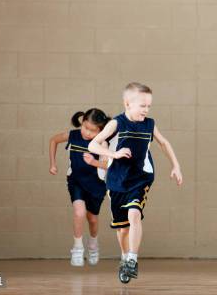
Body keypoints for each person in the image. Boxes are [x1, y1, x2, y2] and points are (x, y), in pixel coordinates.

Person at [88, 82, 183, 284]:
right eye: (143, 106)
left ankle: (132, 258)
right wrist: (113, 154)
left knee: (134, 213)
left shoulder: (149, 124)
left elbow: (164, 143)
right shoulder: (117, 123)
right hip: (116, 180)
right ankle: (125, 257)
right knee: (122, 229)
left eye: (149, 106)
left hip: (140, 178)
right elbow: (92, 144)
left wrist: (176, 166)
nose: (146, 110)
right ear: (127, 103)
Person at [48, 108, 111, 266]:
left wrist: (93, 162)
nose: (87, 132)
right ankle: (77, 248)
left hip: (96, 184)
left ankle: (93, 245)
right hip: (76, 181)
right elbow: (53, 140)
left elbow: (107, 165)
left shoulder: (102, 143)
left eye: (92, 130)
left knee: (93, 219)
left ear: (101, 130)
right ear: (81, 122)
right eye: (85, 127)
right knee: (79, 212)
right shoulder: (73, 135)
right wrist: (53, 164)